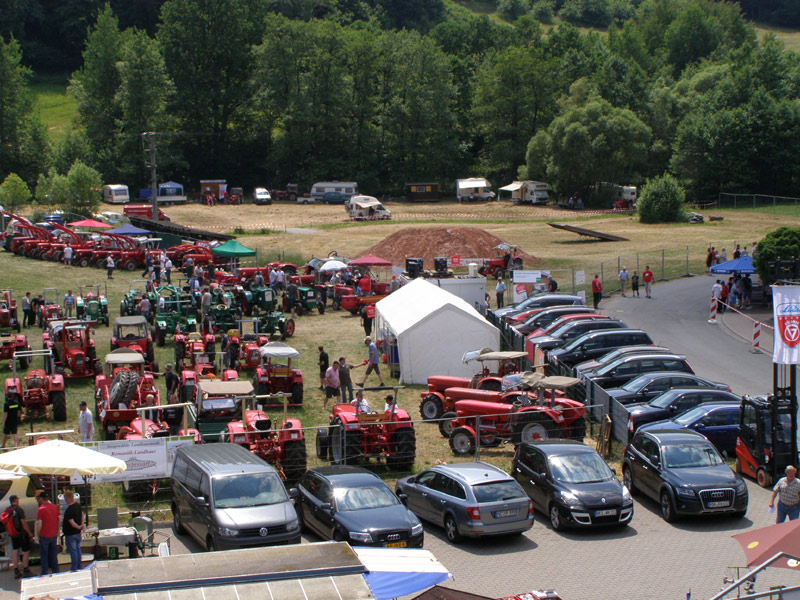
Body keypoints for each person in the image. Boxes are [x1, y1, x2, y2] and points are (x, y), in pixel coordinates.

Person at [8, 495, 33, 579]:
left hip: (13, 533)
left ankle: (16, 571)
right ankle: (26, 570)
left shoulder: (8, 510)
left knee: (15, 550)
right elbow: (23, 523)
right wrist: (29, 533)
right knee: (26, 551)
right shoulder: (19, 509)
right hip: (21, 533)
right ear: (16, 500)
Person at [35, 493, 59, 576]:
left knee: (44, 554)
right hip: (53, 533)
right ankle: (55, 570)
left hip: (44, 534)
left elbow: (39, 523)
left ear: (41, 499)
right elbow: (59, 519)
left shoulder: (41, 509)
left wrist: (37, 535)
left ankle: (44, 571)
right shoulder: (54, 507)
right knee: (53, 553)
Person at [62, 490, 84, 572]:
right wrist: (82, 525)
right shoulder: (78, 506)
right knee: (78, 549)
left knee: (73, 551)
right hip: (77, 533)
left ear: (67, 498)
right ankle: (79, 565)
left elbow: (71, 522)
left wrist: (78, 527)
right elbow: (82, 515)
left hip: (70, 533)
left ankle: (74, 567)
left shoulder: (69, 510)